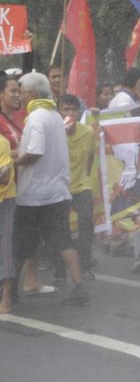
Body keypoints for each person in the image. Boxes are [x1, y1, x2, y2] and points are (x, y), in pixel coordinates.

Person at [13, 73, 88, 305]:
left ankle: (9, 291)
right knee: (64, 240)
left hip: (34, 194)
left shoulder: (35, 117)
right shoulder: (55, 115)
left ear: (33, 94)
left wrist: (12, 163)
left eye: (22, 91)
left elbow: (35, 152)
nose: (20, 96)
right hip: (57, 192)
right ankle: (79, 286)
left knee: (21, 243)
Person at [58, 94, 97, 281]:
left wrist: (84, 178)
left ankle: (85, 267)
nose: (70, 113)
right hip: (60, 187)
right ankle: (60, 270)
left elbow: (90, 159)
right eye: (65, 109)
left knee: (86, 222)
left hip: (82, 185)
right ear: (59, 112)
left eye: (73, 110)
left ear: (79, 112)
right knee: (60, 229)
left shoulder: (88, 132)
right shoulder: (54, 133)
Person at [0, 133, 15, 313]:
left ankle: (7, 297)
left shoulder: (2, 143)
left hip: (5, 201)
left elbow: (3, 176)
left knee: (5, 247)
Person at [0, 75, 23, 150]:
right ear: (1, 94)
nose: (18, 95)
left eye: (19, 92)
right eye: (13, 91)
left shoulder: (23, 116)